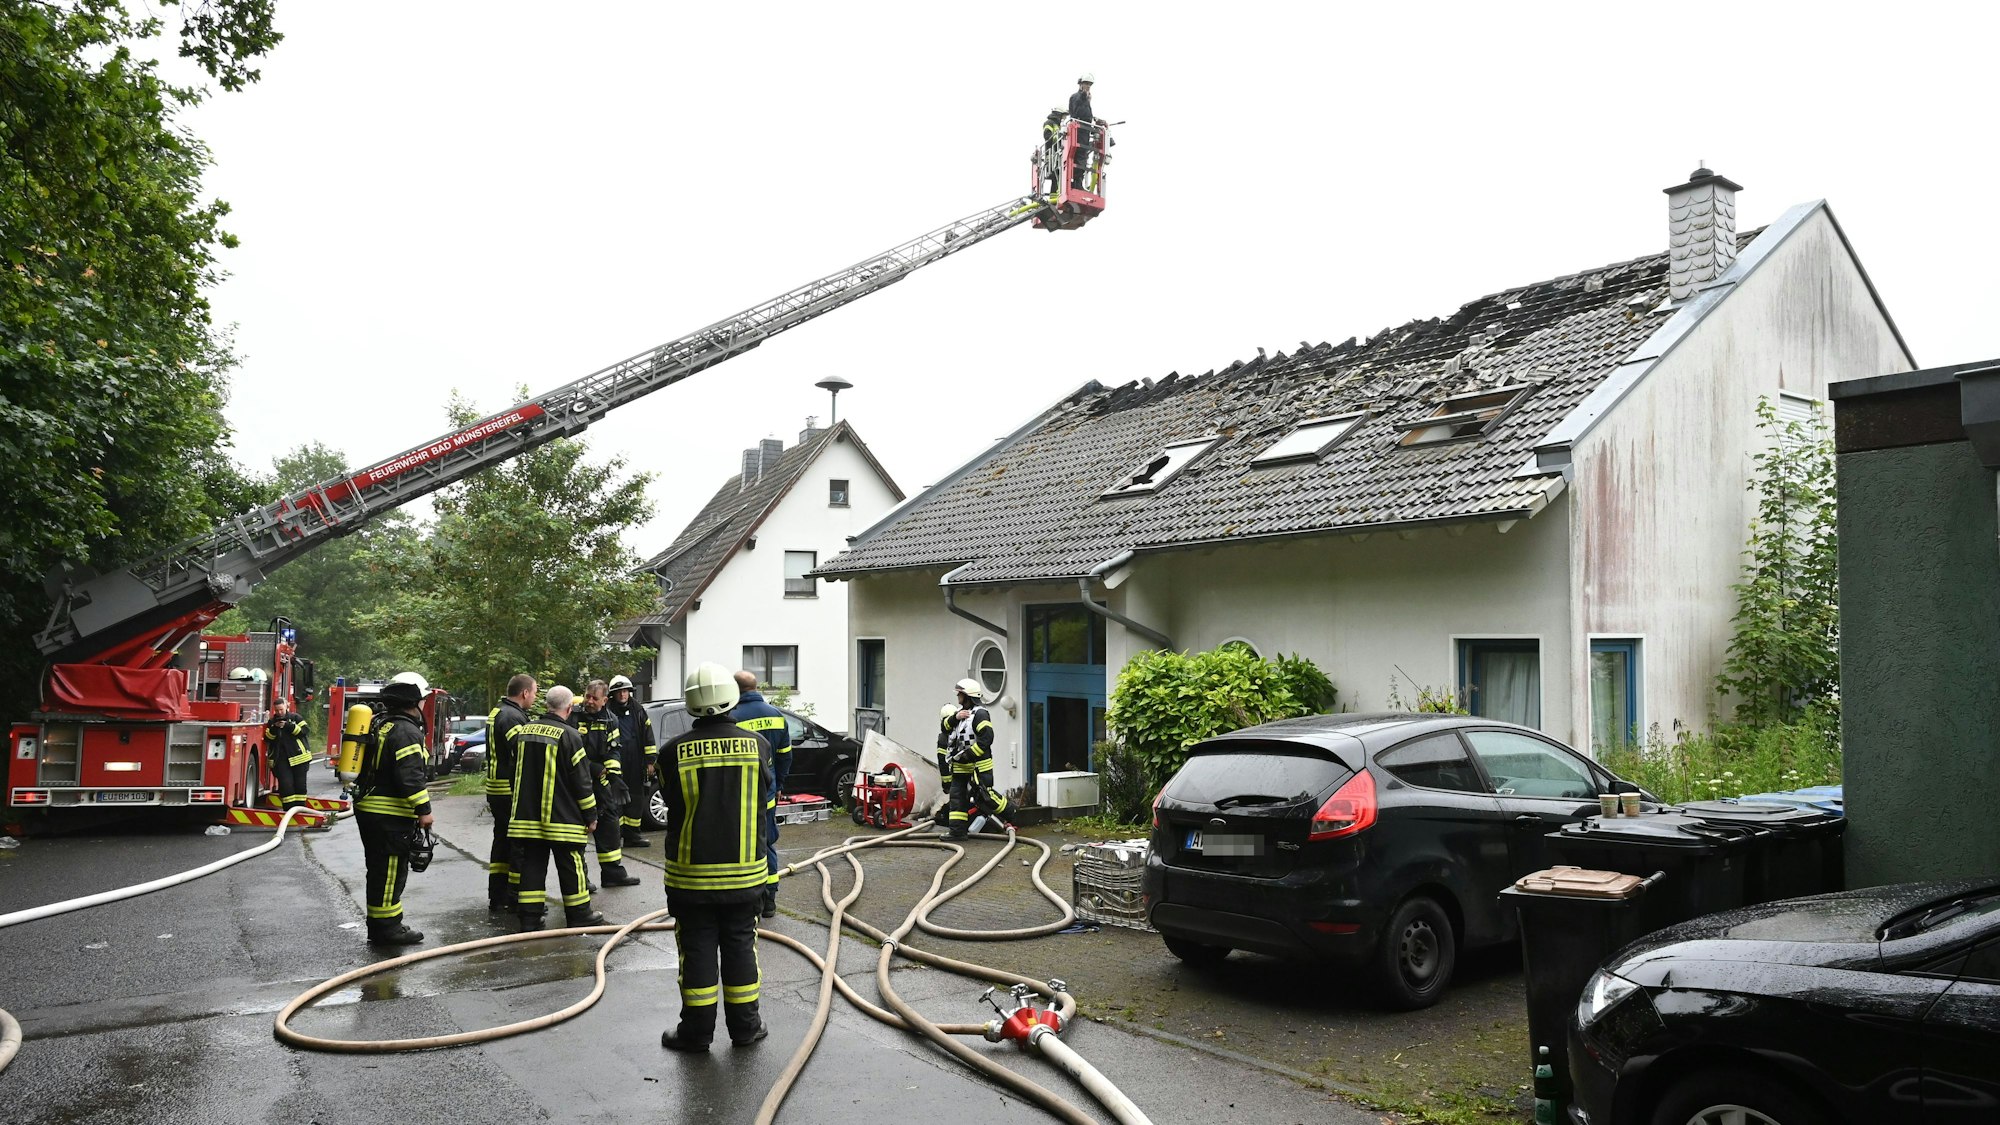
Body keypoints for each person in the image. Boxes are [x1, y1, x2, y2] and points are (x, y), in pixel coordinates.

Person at [658, 662, 773, 1052]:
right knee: (741, 947)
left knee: (697, 950)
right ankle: (746, 1028)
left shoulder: (671, 752)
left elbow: (672, 803)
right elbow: (766, 796)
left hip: (691, 878)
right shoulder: (758, 746)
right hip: (745, 875)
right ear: (732, 698)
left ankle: (696, 1033)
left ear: (690, 703)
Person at [507, 685, 608, 932]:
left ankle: (529, 918)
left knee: (532, 864)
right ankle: (579, 914)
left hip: (527, 817)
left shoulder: (524, 732)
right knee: (571, 864)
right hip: (562, 818)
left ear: (547, 705)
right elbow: (582, 781)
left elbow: (514, 771)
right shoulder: (570, 736)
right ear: (569, 708)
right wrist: (591, 815)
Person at [353, 671, 435, 946]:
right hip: (388, 814)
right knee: (389, 871)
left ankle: (384, 924)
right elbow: (410, 776)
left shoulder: (382, 724)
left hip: (370, 809)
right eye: (422, 699)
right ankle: (387, 929)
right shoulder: (406, 731)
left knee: (379, 869)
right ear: (413, 701)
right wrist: (424, 810)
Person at [727, 670, 790, 919]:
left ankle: (745, 897)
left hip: (739, 794)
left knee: (739, 845)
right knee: (767, 842)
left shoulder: (732, 718)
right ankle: (770, 899)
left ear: (736, 690)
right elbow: (785, 756)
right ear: (756, 687)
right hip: (768, 792)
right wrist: (779, 783)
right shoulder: (776, 716)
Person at [577, 680, 640, 888]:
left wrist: (615, 777)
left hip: (601, 783)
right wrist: (593, 767)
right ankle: (580, 879)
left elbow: (614, 751)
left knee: (610, 826)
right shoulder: (574, 717)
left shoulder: (611, 720)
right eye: (587, 696)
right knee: (578, 831)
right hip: (577, 783)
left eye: (594, 698)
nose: (589, 701)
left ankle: (613, 874)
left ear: (604, 700)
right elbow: (568, 751)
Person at [485, 673, 538, 912]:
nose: (535, 697)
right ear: (525, 693)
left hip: (497, 788)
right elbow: (522, 752)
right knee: (518, 844)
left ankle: (498, 895)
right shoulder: (512, 717)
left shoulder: (499, 711)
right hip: (509, 790)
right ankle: (515, 897)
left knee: (502, 843)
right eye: (534, 692)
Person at [936, 678, 1011, 840]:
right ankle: (957, 832)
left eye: (960, 694)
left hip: (979, 765)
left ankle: (1014, 815)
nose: (958, 697)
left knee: (985, 796)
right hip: (960, 766)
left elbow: (987, 738)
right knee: (957, 799)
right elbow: (945, 728)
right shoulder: (959, 713)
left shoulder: (980, 714)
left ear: (968, 695)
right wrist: (955, 717)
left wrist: (969, 754)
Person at [605, 674, 658, 848]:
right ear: (613, 694)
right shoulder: (607, 711)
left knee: (636, 799)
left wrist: (650, 761)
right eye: (619, 692)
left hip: (636, 762)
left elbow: (648, 736)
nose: (623, 695)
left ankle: (633, 836)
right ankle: (616, 836)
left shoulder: (638, 710)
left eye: (625, 691)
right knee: (616, 800)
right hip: (615, 762)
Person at [264, 701, 313, 812]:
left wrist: (288, 726)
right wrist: (275, 728)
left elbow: (305, 731)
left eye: (281, 709)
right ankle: (288, 811)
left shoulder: (296, 718)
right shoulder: (272, 722)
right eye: (277, 710)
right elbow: (268, 738)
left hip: (299, 758)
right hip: (280, 759)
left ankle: (300, 810)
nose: (279, 712)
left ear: (286, 707)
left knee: (300, 786)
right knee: (286, 786)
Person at [1066, 72, 1105, 190]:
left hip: (1085, 131)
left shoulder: (1086, 100)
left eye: (1089, 84)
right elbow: (1076, 111)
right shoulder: (1076, 97)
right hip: (1078, 131)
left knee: (1082, 157)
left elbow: (1086, 115)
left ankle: (1078, 183)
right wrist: (1084, 96)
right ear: (1080, 84)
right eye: (1086, 84)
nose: (1088, 86)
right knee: (1079, 157)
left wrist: (1095, 120)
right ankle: (1075, 184)